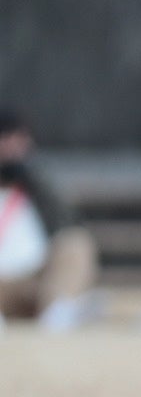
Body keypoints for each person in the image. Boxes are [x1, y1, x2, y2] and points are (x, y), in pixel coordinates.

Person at [0, 107, 104, 332]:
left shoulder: (36, 185)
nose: (15, 149)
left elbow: (68, 224)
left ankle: (59, 314)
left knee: (76, 243)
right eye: (8, 140)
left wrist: (30, 179)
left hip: (34, 279)